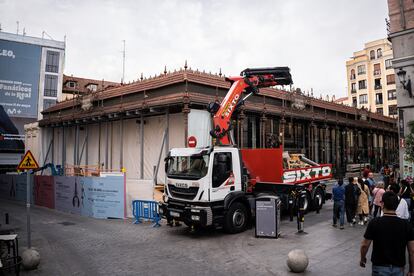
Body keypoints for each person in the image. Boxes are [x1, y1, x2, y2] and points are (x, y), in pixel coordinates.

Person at [360, 191, 414, 276]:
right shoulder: (406, 225)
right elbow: (412, 251)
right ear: (396, 205)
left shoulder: (375, 223)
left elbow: (365, 245)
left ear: (382, 204)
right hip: (398, 267)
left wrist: (362, 259)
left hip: (379, 267)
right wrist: (411, 270)